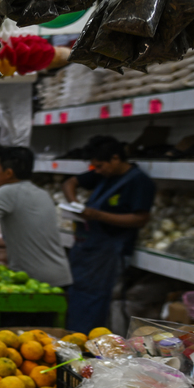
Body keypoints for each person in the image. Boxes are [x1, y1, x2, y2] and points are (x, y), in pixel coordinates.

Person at [0, 147, 72, 326]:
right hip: (59, 281)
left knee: (10, 338)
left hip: (31, 284)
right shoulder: (42, 194)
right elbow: (29, 236)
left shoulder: (8, 192)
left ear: (9, 172)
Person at [62, 135, 155, 333]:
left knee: (96, 301)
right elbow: (70, 183)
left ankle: (89, 344)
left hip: (109, 252)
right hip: (87, 249)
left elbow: (140, 219)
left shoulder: (139, 182)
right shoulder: (104, 174)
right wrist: (74, 203)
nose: (98, 171)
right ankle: (74, 338)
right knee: (78, 295)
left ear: (115, 158)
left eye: (100, 165)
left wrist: (98, 215)